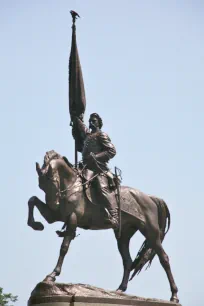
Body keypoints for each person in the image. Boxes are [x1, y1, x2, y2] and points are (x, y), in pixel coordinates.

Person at [72, 113, 118, 229]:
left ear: (99, 123)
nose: (91, 122)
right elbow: (82, 128)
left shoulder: (101, 135)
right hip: (85, 167)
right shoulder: (88, 136)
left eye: (94, 121)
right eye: (90, 121)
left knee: (102, 188)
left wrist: (96, 157)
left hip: (98, 168)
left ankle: (114, 216)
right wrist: (76, 118)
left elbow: (112, 151)